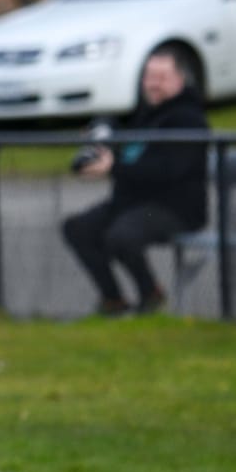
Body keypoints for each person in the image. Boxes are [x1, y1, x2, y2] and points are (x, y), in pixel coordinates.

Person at [61, 45, 209, 315]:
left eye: (161, 77)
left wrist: (114, 167)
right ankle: (113, 301)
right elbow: (116, 129)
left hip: (172, 209)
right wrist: (101, 137)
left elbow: (167, 171)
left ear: (180, 79)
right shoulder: (145, 113)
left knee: (121, 235)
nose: (153, 84)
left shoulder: (189, 121)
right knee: (77, 228)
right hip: (131, 204)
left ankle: (150, 295)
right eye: (149, 77)